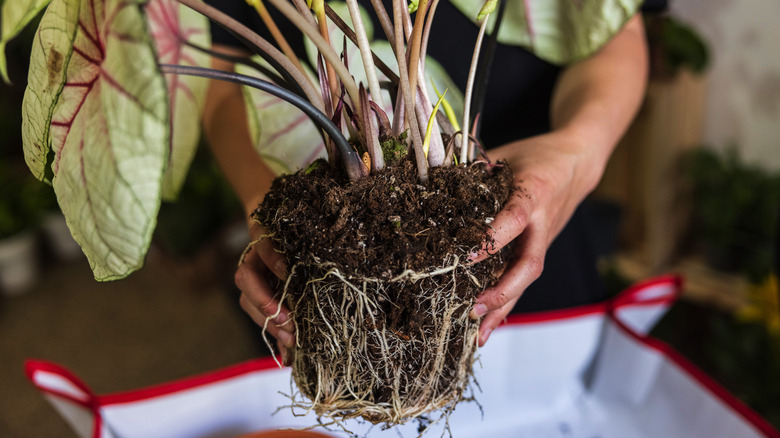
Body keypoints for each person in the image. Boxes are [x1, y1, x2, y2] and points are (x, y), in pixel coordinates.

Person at [203, 0, 651, 364]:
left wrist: (576, 150)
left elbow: (616, 32)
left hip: (538, 212)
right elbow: (222, 77)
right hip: (321, 232)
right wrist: (262, 201)